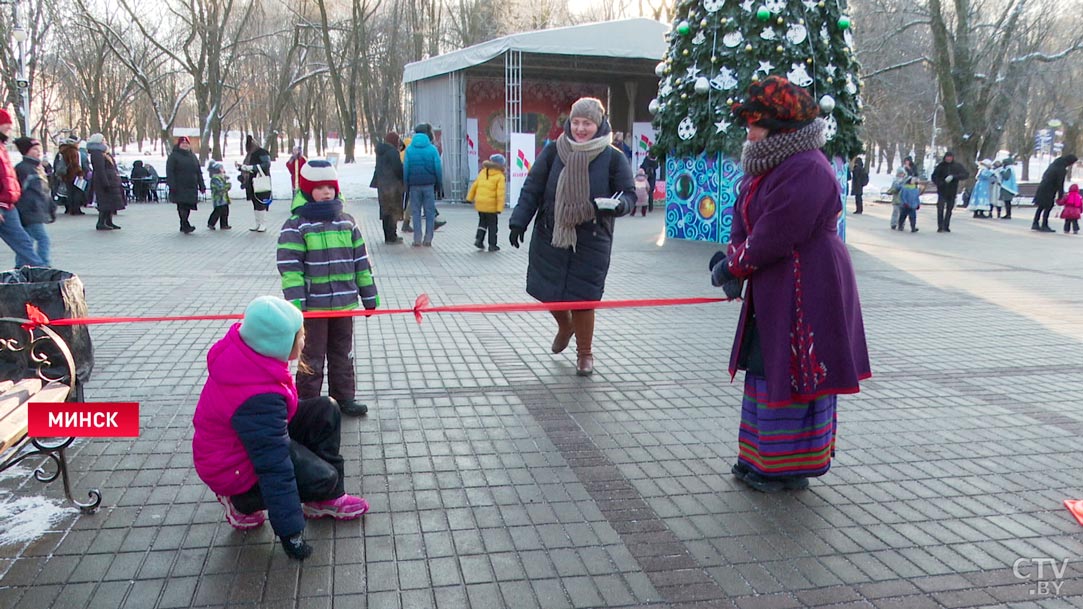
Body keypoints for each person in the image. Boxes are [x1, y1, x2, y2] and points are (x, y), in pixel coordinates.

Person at [710, 75, 870, 493]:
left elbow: (777, 232)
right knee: (766, 364)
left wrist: (736, 267)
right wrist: (733, 260)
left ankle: (788, 466)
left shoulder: (806, 168)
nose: (748, 130)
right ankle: (759, 457)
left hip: (810, 283)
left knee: (798, 367)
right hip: (777, 282)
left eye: (755, 122)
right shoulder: (767, 163)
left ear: (781, 127)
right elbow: (746, 219)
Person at [192, 296, 370, 562]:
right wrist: (291, 533)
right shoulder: (257, 398)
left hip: (250, 441)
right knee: (322, 477)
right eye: (299, 336)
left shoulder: (251, 354)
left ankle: (325, 500)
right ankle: (240, 502)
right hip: (232, 469)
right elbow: (274, 466)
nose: (303, 341)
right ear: (276, 343)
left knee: (326, 409)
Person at [508, 97, 635, 376]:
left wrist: (620, 205)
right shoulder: (554, 151)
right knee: (549, 293)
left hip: (591, 238)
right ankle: (564, 325)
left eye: (587, 123)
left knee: (583, 298)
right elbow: (533, 187)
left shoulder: (613, 157)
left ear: (599, 124)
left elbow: (629, 194)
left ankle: (585, 354)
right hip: (551, 235)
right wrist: (519, 221)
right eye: (576, 122)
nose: (580, 128)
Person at [277, 160, 378, 417]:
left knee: (342, 353)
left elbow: (360, 262)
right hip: (314, 307)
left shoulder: (347, 222)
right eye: (320, 187)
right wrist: (296, 304)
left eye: (330, 187)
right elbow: (291, 268)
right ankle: (307, 403)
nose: (326, 193)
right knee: (311, 356)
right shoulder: (297, 225)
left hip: (344, 304)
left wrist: (369, 295)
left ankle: (343, 397)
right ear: (308, 190)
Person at [13, 137, 52, 266]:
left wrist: (50, 207)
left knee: (26, 242)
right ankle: (43, 266)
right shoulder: (23, 169)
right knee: (43, 239)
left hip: (36, 211)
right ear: (26, 151)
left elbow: (44, 190)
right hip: (29, 212)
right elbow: (18, 192)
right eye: (34, 149)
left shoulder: (37, 168)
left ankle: (20, 266)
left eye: (38, 149)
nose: (38, 151)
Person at [403, 125, 443, 247]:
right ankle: (428, 239)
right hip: (429, 185)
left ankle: (417, 239)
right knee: (429, 212)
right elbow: (438, 168)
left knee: (415, 212)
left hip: (414, 185)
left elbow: (406, 168)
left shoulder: (409, 149)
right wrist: (438, 183)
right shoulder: (432, 149)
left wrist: (406, 183)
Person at [466, 153, 506, 251]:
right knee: (493, 225)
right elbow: (500, 193)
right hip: (491, 206)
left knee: (482, 223)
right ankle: (492, 245)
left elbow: (474, 186)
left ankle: (479, 240)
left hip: (480, 203)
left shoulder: (483, 172)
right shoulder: (500, 176)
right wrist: (499, 208)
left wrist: (469, 198)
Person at [166, 136, 205, 234]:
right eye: (183, 143)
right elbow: (170, 172)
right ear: (179, 145)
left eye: (186, 143)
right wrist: (172, 185)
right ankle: (185, 224)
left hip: (191, 186)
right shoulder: (174, 156)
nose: (185, 145)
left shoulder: (192, 156)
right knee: (182, 205)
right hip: (179, 185)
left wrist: (201, 185)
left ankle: (183, 224)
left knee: (188, 206)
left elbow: (198, 171)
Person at [87, 133, 125, 231]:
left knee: (110, 202)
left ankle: (109, 221)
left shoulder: (103, 152)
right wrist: (105, 182)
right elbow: (100, 170)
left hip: (110, 180)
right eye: (103, 139)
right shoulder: (97, 153)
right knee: (104, 202)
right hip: (103, 181)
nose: (105, 140)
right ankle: (101, 222)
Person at [371, 132, 404, 244]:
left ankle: (387, 236)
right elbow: (397, 169)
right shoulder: (393, 152)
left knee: (385, 211)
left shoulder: (380, 152)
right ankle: (392, 236)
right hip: (392, 185)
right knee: (393, 210)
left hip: (382, 185)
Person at [1032, 154, 1078, 233]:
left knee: (1041, 206)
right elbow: (1060, 183)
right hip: (1049, 189)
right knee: (1048, 206)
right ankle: (1044, 225)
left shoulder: (1054, 164)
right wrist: (1060, 196)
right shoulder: (1061, 169)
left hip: (1043, 187)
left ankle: (1035, 223)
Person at [239, 135, 272, 232]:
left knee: (260, 202)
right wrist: (242, 168)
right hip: (252, 182)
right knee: (255, 202)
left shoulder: (262, 152)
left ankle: (263, 223)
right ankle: (258, 223)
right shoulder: (250, 154)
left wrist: (252, 168)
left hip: (260, 181)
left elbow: (266, 165)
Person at [930, 151, 968, 233]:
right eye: (947, 157)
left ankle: (946, 225)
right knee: (940, 208)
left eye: (950, 157)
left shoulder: (957, 166)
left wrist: (954, 177)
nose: (949, 159)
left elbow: (965, 174)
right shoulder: (940, 166)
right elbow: (934, 176)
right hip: (942, 190)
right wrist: (940, 182)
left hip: (952, 190)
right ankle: (940, 226)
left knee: (949, 209)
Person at [52, 140, 88, 215]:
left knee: (70, 192)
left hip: (66, 175)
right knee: (77, 192)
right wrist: (80, 173)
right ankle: (76, 209)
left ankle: (71, 208)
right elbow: (75, 164)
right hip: (74, 174)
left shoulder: (64, 151)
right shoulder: (73, 151)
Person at [206, 161, 232, 230]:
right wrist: (228, 185)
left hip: (223, 198)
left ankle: (224, 224)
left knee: (225, 211)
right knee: (217, 212)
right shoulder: (215, 178)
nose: (223, 169)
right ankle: (211, 223)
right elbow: (220, 188)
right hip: (218, 199)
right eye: (222, 168)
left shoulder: (222, 177)